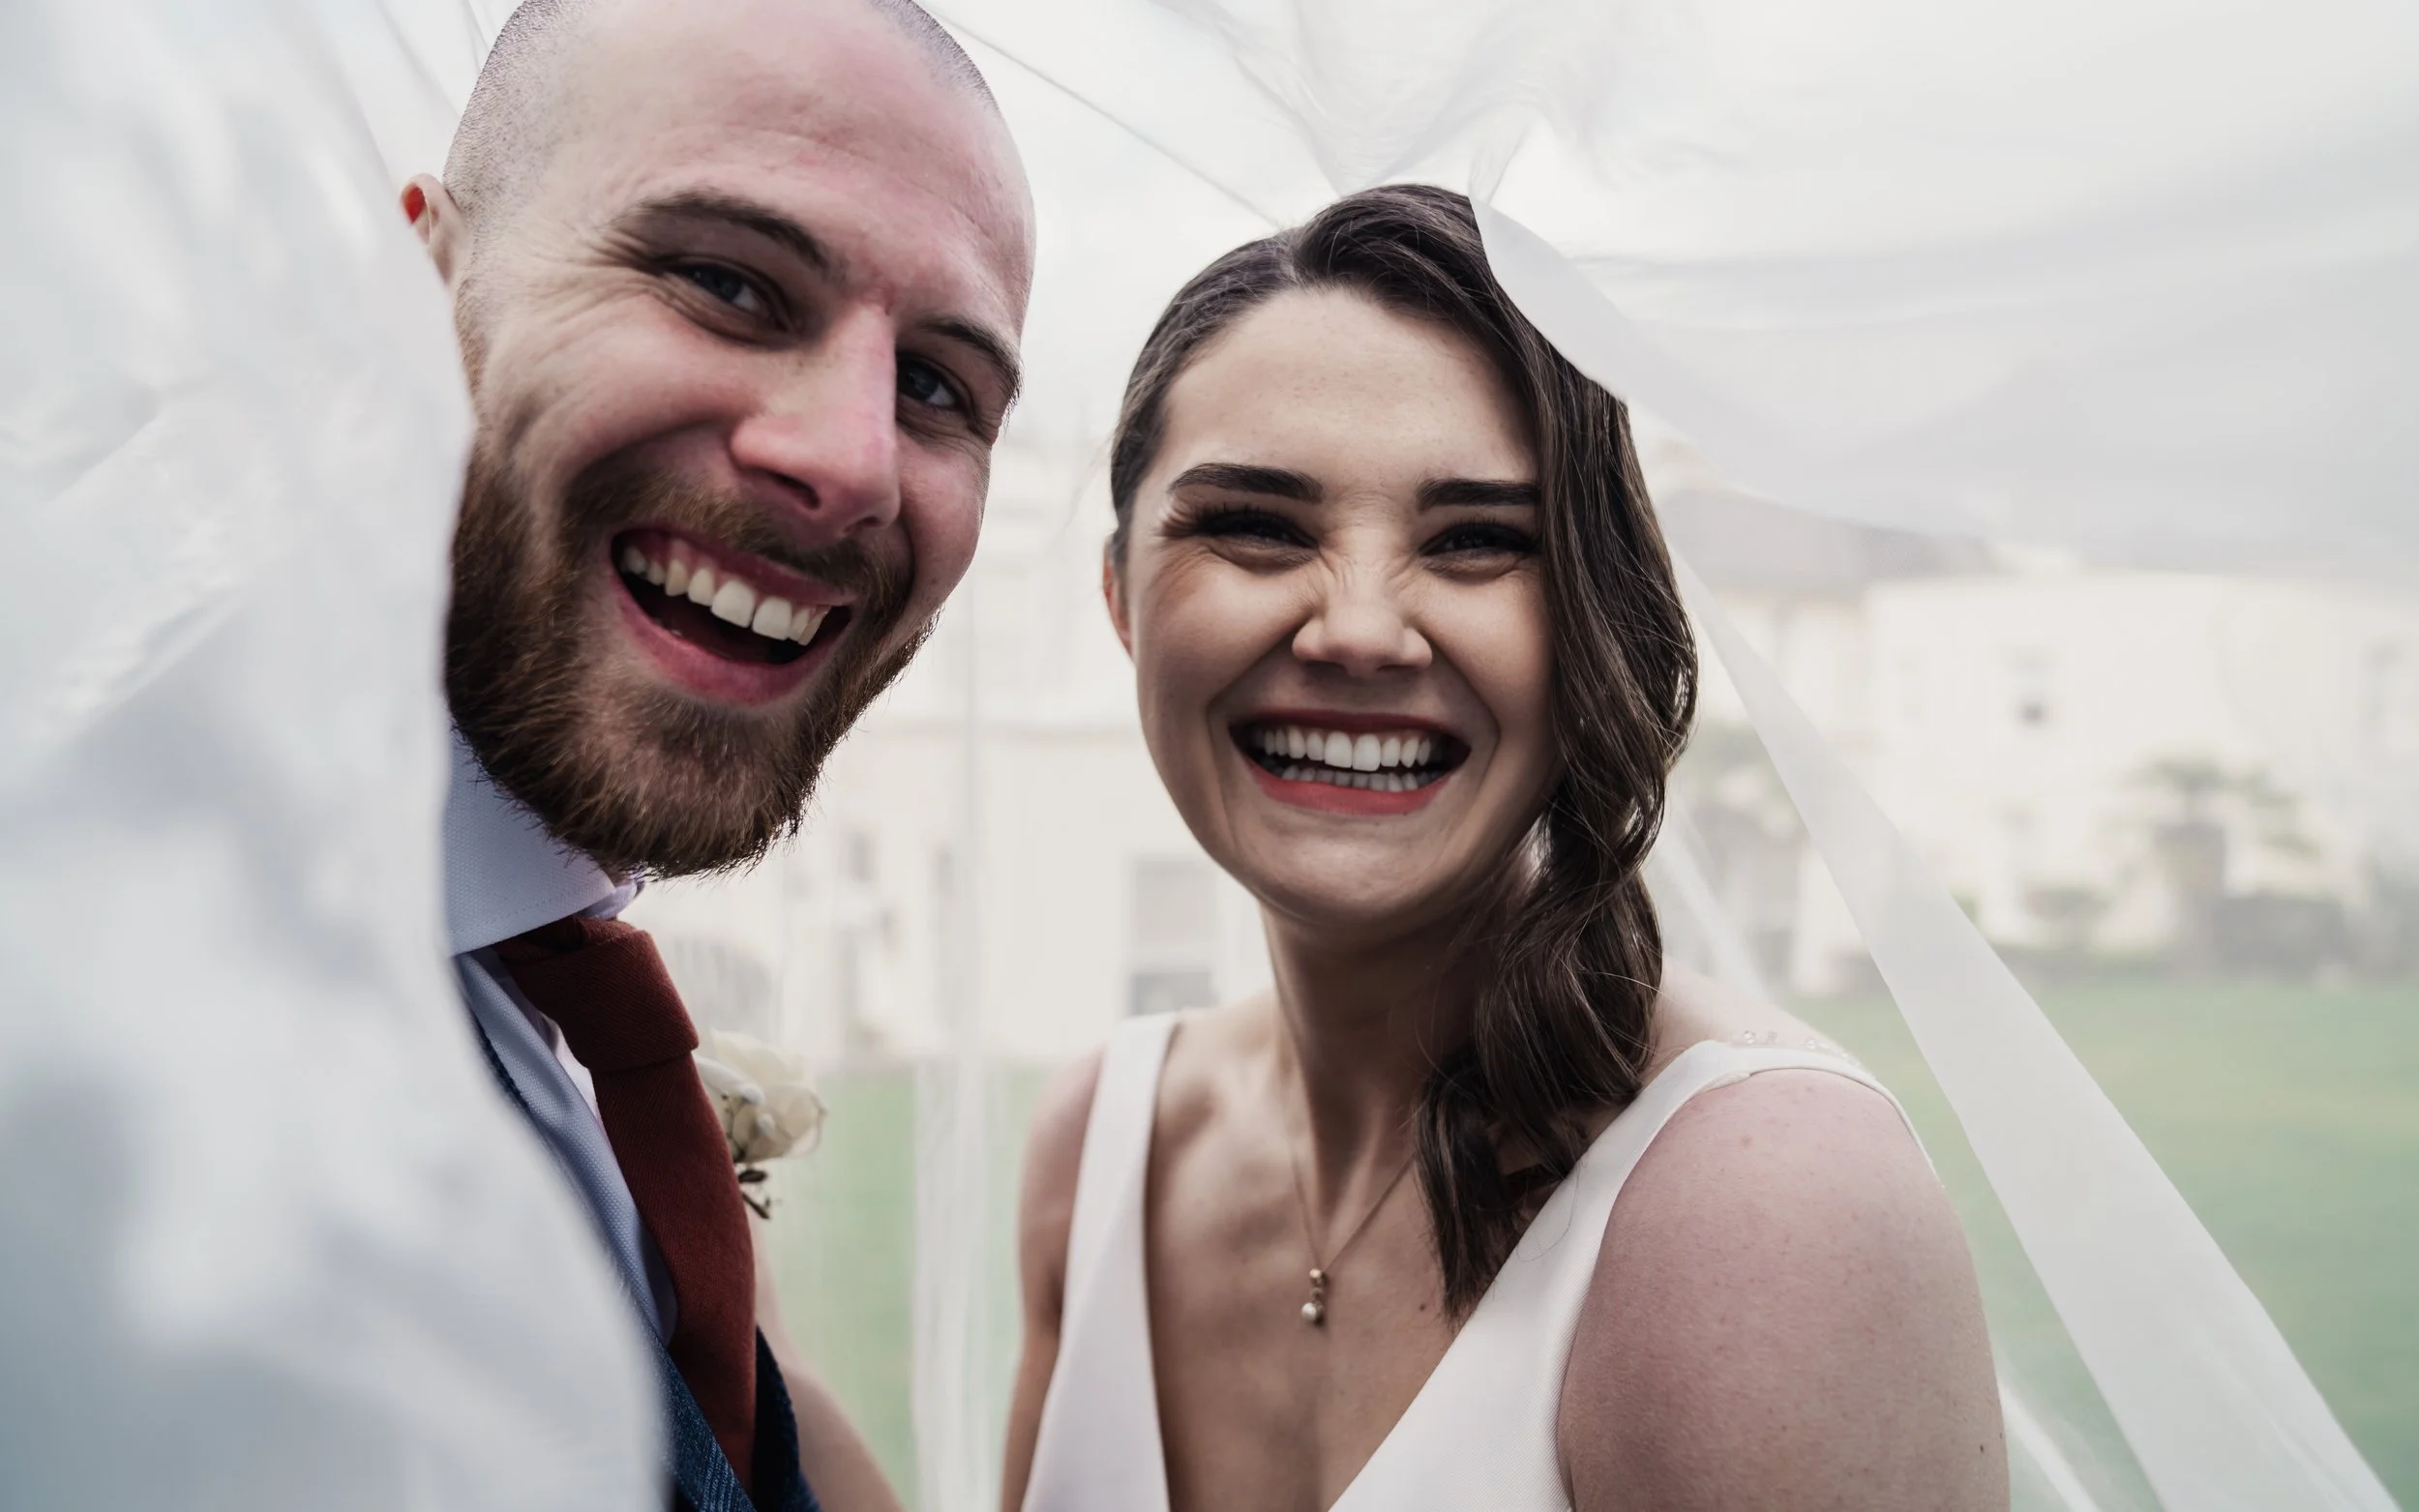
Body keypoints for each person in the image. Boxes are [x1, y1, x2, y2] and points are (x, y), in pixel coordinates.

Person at [1000, 185, 2006, 1512]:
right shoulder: (1102, 1145)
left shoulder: (1769, 1207)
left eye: (1478, 541)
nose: (1359, 629)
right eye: (1257, 524)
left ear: (1592, 626)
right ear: (1123, 593)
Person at [402, 0, 1032, 1507]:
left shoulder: (567, 1036)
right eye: (728, 284)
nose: (854, 461)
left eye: (941, 385)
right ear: (418, 280)